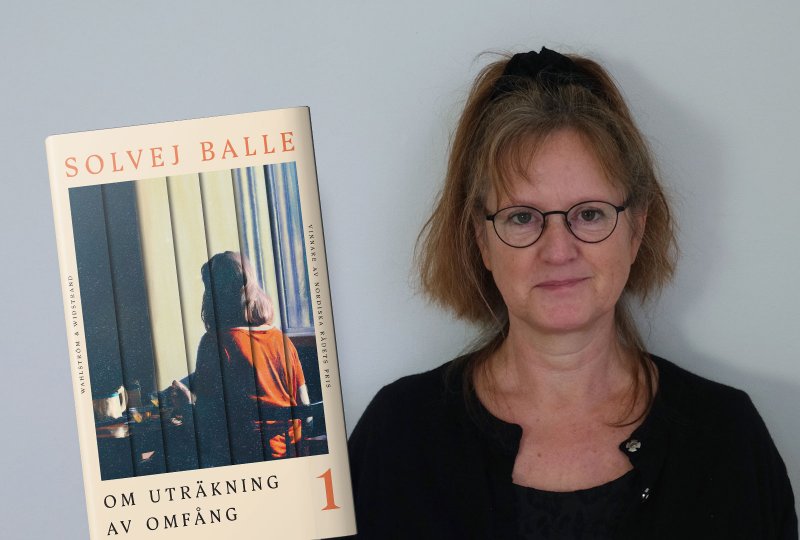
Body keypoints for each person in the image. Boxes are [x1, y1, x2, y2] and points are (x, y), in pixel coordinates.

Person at [347, 48, 797, 539]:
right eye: (522, 217)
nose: (558, 251)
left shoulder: (727, 439)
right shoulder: (398, 435)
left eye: (590, 214)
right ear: (481, 239)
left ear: (637, 229)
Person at [192, 251, 311, 464]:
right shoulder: (281, 340)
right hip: (293, 455)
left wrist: (183, 403)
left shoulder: (214, 343)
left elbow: (206, 421)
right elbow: (306, 409)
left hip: (244, 460)